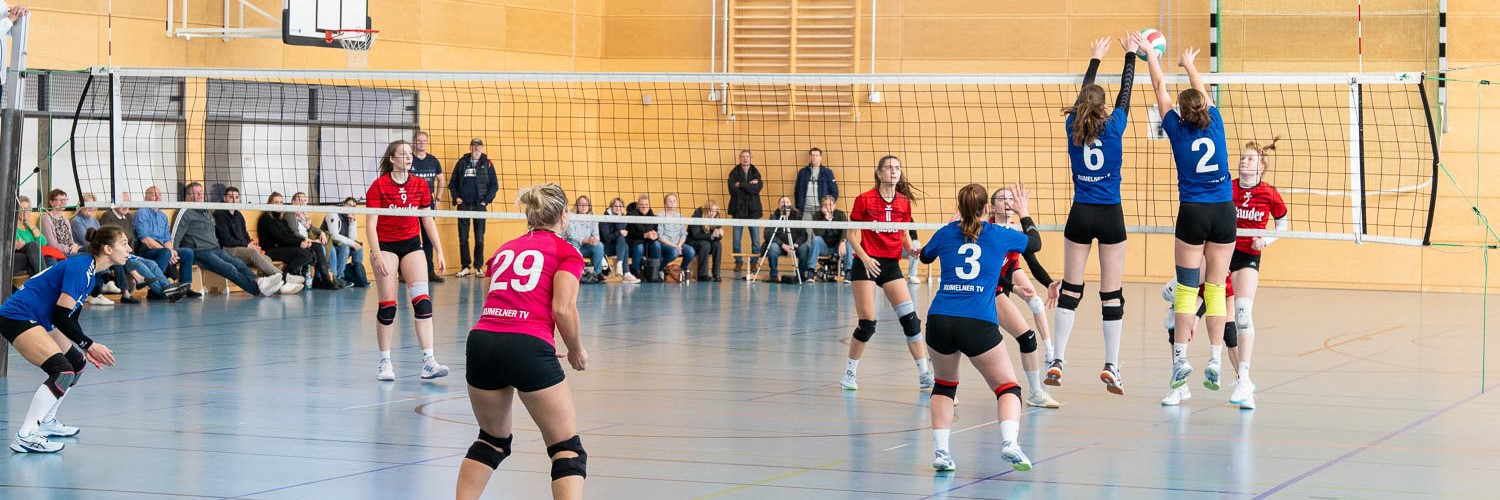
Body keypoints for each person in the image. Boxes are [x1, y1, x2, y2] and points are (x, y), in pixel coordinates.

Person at [456, 183, 588, 500]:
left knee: (492, 440)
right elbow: (563, 309)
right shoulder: (566, 252)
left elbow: (491, 299)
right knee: (567, 450)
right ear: (563, 214)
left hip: (483, 341)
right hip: (526, 347)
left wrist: (530, 339)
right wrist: (575, 350)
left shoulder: (504, 249)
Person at [920, 183, 1040, 472]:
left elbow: (924, 256)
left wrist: (950, 226)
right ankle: (1010, 443)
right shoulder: (998, 234)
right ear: (987, 208)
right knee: (1007, 387)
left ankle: (942, 453)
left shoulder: (946, 232)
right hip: (977, 321)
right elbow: (1034, 243)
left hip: (940, 320)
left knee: (944, 385)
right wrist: (1024, 212)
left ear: (959, 208)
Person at [1143, 36, 1238, 394]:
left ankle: (1181, 359)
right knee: (1215, 289)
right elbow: (1204, 94)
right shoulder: (1216, 121)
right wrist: (1189, 64)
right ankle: (1215, 359)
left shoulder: (1176, 129)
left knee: (1186, 290)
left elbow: (1159, 88)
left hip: (1193, 213)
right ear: (1205, 107)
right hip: (1223, 213)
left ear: (1181, 113)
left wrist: (1152, 55)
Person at [1049, 35, 1138, 394]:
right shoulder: (1115, 126)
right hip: (1110, 215)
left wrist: (1095, 58)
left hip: (1080, 214)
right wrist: (1130, 55)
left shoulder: (1073, 127)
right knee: (1111, 294)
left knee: (1071, 290)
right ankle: (1111, 366)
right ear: (1104, 109)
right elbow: (1126, 94)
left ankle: (1057, 360)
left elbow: (1083, 99)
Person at [3, 226, 123, 453]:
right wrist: (90, 344)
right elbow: (60, 316)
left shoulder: (90, 274)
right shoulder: (81, 268)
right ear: (108, 249)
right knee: (62, 371)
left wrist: (84, 346)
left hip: (41, 318)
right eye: (124, 244)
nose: (129, 249)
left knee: (77, 364)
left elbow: (69, 318)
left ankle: (47, 422)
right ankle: (26, 434)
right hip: (19, 316)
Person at [840, 155, 934, 391]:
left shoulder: (903, 202)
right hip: (866, 263)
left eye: (897, 168)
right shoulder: (864, 199)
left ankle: (924, 374)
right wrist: (865, 258)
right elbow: (851, 234)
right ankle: (849, 373)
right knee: (867, 324)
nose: (894, 171)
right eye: (889, 168)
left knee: (911, 320)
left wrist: (910, 249)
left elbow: (904, 234)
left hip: (891, 265)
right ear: (879, 172)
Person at [367, 139, 450, 381]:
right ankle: (384, 362)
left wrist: (439, 250)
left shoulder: (420, 185)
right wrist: (377, 254)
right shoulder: (379, 186)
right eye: (403, 154)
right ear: (392, 159)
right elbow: (370, 225)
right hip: (386, 245)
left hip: (412, 244)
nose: (408, 157)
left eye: (410, 154)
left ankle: (428, 361)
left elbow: (427, 220)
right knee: (388, 306)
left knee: (423, 302)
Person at [1225, 137, 1287, 409]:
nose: (1243, 161)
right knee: (1213, 321)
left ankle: (1244, 379)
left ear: (1261, 166)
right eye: (1242, 157)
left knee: (1242, 314)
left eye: (1250, 158)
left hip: (1247, 256)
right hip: (1221, 254)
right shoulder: (1227, 188)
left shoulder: (1269, 193)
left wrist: (1266, 241)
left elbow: (1283, 226)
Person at [988, 187, 1062, 409]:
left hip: (998, 289)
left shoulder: (1015, 232)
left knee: (1027, 336)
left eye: (1011, 198)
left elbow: (1033, 262)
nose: (1007, 202)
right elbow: (989, 272)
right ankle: (943, 382)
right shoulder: (986, 230)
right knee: (970, 339)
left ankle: (1037, 391)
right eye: (1002, 199)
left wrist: (1049, 283)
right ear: (992, 207)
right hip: (983, 290)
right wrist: (1014, 288)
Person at [174, 182, 284, 298]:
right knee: (229, 268)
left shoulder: (206, 211)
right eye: (196, 193)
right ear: (188, 196)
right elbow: (175, 234)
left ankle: (260, 281)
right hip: (200, 252)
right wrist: (174, 252)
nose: (200, 195)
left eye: (201, 192)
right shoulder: (184, 212)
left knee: (238, 263)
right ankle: (258, 289)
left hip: (215, 249)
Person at [217, 187, 305, 294]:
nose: (234, 200)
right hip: (227, 249)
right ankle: (285, 277)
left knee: (266, 258)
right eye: (231, 197)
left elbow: (244, 234)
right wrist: (247, 245)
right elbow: (226, 240)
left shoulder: (238, 215)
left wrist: (250, 243)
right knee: (253, 253)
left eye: (236, 197)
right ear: (225, 199)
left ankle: (279, 286)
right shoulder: (220, 214)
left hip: (241, 247)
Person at [449, 138, 498, 278]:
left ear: (482, 148)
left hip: (479, 206)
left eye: (479, 146)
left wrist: (485, 201)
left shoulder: (488, 164)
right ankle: (465, 267)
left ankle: (478, 267)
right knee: (463, 238)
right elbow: (452, 183)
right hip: (464, 205)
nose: (477, 149)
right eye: (474, 146)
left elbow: (494, 185)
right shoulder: (462, 162)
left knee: (479, 238)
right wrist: (456, 197)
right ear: (470, 147)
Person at [134, 186, 196, 295]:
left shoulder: (162, 216)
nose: (157, 197)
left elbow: (167, 239)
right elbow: (145, 239)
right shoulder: (142, 212)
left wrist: (171, 252)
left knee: (188, 252)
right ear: (146, 198)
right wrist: (167, 252)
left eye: (159, 195)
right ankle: (154, 290)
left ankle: (185, 287)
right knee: (165, 252)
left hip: (162, 249)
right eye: (153, 195)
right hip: (145, 250)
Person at [410, 130, 446, 283]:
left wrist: (437, 199)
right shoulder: (409, 159)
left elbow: (441, 179)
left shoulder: (433, 160)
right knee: (410, 237)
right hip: (411, 203)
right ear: (414, 142)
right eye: (419, 141)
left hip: (427, 203)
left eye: (424, 141)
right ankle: (406, 272)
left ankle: (429, 271)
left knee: (428, 237)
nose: (422, 143)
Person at [256, 192, 315, 282]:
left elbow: (290, 234)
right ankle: (285, 277)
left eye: (281, 202)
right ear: (270, 203)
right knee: (305, 254)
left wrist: (303, 240)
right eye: (276, 202)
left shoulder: (280, 219)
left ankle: (296, 276)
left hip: (282, 247)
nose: (279, 205)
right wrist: (299, 243)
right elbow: (280, 238)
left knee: (310, 252)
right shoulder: (266, 218)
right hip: (271, 251)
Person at [727, 150, 763, 273]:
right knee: (736, 240)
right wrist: (749, 185)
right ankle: (738, 262)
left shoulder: (756, 172)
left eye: (747, 156)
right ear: (739, 158)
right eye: (743, 156)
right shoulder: (734, 172)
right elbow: (732, 190)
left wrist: (741, 185)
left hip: (753, 211)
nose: (745, 159)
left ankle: (754, 263)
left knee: (756, 240)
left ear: (751, 158)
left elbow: (757, 189)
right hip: (738, 210)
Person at [324, 197, 370, 288]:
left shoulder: (348, 217)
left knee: (359, 249)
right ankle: (339, 277)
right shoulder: (333, 213)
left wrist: (352, 223)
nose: (350, 208)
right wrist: (353, 244)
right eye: (349, 205)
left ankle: (357, 276)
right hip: (329, 244)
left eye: (353, 206)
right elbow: (334, 235)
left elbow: (352, 238)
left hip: (340, 244)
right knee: (345, 248)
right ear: (343, 204)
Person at [805, 195, 850, 282]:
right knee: (816, 240)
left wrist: (843, 241)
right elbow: (819, 233)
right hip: (824, 247)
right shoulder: (817, 216)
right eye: (825, 205)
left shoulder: (840, 215)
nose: (828, 207)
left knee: (847, 243)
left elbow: (845, 230)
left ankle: (848, 272)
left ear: (834, 206)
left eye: (830, 205)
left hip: (838, 247)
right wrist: (825, 218)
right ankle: (811, 271)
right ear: (821, 206)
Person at [760, 196, 803, 281]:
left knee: (804, 248)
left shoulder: (797, 216)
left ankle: (801, 275)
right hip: (779, 247)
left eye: (787, 202)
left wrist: (795, 245)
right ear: (778, 205)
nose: (785, 204)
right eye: (782, 202)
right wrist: (783, 245)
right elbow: (767, 234)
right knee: (772, 247)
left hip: (794, 246)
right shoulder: (774, 216)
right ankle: (773, 275)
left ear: (791, 205)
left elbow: (803, 235)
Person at [564, 195, 606, 281]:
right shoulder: (571, 216)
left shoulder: (592, 217)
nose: (583, 206)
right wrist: (585, 240)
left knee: (599, 245)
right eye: (581, 204)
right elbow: (571, 234)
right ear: (577, 206)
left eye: (585, 204)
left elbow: (596, 235)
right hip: (574, 247)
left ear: (589, 206)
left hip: (587, 247)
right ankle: (576, 272)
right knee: (573, 243)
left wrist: (594, 239)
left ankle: (597, 273)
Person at [598, 197, 638, 284]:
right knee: (623, 242)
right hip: (605, 248)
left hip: (618, 248)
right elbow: (607, 238)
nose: (618, 208)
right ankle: (626, 272)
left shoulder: (621, 218)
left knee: (624, 243)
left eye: (620, 206)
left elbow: (621, 234)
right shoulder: (604, 219)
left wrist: (619, 218)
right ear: (611, 207)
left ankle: (621, 268)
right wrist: (618, 233)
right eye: (615, 206)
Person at [657, 193, 695, 279]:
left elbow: (683, 234)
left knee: (691, 251)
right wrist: (674, 246)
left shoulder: (679, 216)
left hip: (678, 244)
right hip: (664, 244)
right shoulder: (660, 216)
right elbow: (660, 236)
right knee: (674, 252)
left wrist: (679, 245)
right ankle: (660, 269)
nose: (672, 203)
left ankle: (681, 270)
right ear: (665, 204)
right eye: (670, 201)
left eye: (674, 201)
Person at [793, 147, 838, 216]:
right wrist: (798, 205)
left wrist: (828, 206)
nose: (814, 157)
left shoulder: (827, 172)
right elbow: (797, 190)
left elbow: (834, 191)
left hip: (821, 209)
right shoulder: (802, 172)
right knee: (806, 223)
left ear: (820, 157)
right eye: (812, 155)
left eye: (817, 155)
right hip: (806, 208)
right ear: (809, 157)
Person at [686, 200, 724, 282]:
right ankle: (702, 275)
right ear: (706, 210)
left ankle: (716, 274)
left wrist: (719, 235)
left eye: (715, 211)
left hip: (706, 243)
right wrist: (711, 236)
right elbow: (696, 234)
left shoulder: (716, 218)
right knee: (705, 244)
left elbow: (715, 236)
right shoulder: (697, 215)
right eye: (711, 211)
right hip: (692, 242)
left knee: (717, 244)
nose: (713, 213)